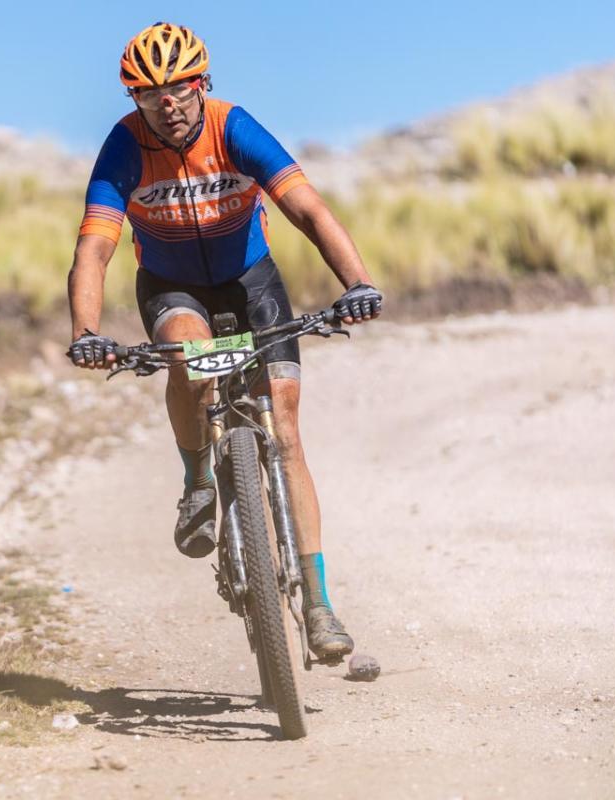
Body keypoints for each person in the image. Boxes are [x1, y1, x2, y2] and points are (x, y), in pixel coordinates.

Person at [66, 22, 382, 660]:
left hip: (251, 282)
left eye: (179, 88)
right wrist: (86, 333)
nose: (167, 104)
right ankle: (198, 482)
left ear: (202, 84)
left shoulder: (232, 127)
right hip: (172, 286)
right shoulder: (124, 147)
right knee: (191, 362)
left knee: (285, 427)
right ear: (134, 99)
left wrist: (358, 284)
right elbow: (94, 249)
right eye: (149, 94)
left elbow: (309, 209)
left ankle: (319, 605)